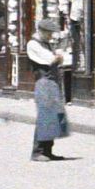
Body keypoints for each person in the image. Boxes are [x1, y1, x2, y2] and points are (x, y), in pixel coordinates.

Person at [26, 18, 70, 160]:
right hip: (43, 81)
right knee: (45, 116)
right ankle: (37, 152)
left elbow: (58, 59)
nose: (51, 36)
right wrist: (57, 56)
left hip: (52, 82)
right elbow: (52, 59)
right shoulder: (33, 44)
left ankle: (48, 150)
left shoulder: (46, 44)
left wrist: (58, 57)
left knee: (54, 116)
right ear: (41, 31)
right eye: (49, 33)